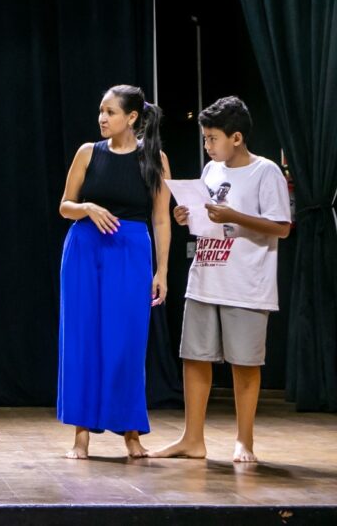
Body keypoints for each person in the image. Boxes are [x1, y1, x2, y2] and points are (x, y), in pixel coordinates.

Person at [150, 96, 290, 463]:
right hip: (205, 276)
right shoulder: (211, 170)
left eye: (213, 138)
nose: (207, 146)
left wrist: (233, 216)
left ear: (237, 137)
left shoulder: (265, 171)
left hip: (246, 283)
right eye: (205, 139)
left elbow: (282, 226)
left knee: (245, 363)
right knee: (194, 357)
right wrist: (187, 216)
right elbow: (208, 217)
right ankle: (192, 438)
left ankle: (245, 441)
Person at [57, 85, 172, 459]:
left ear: (132, 117)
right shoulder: (88, 153)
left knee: (126, 343)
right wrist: (87, 208)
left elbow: (161, 219)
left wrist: (162, 270)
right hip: (85, 249)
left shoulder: (154, 159)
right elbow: (65, 206)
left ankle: (131, 432)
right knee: (83, 339)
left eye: (110, 112)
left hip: (131, 252)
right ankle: (80, 436)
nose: (102, 118)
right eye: (101, 111)